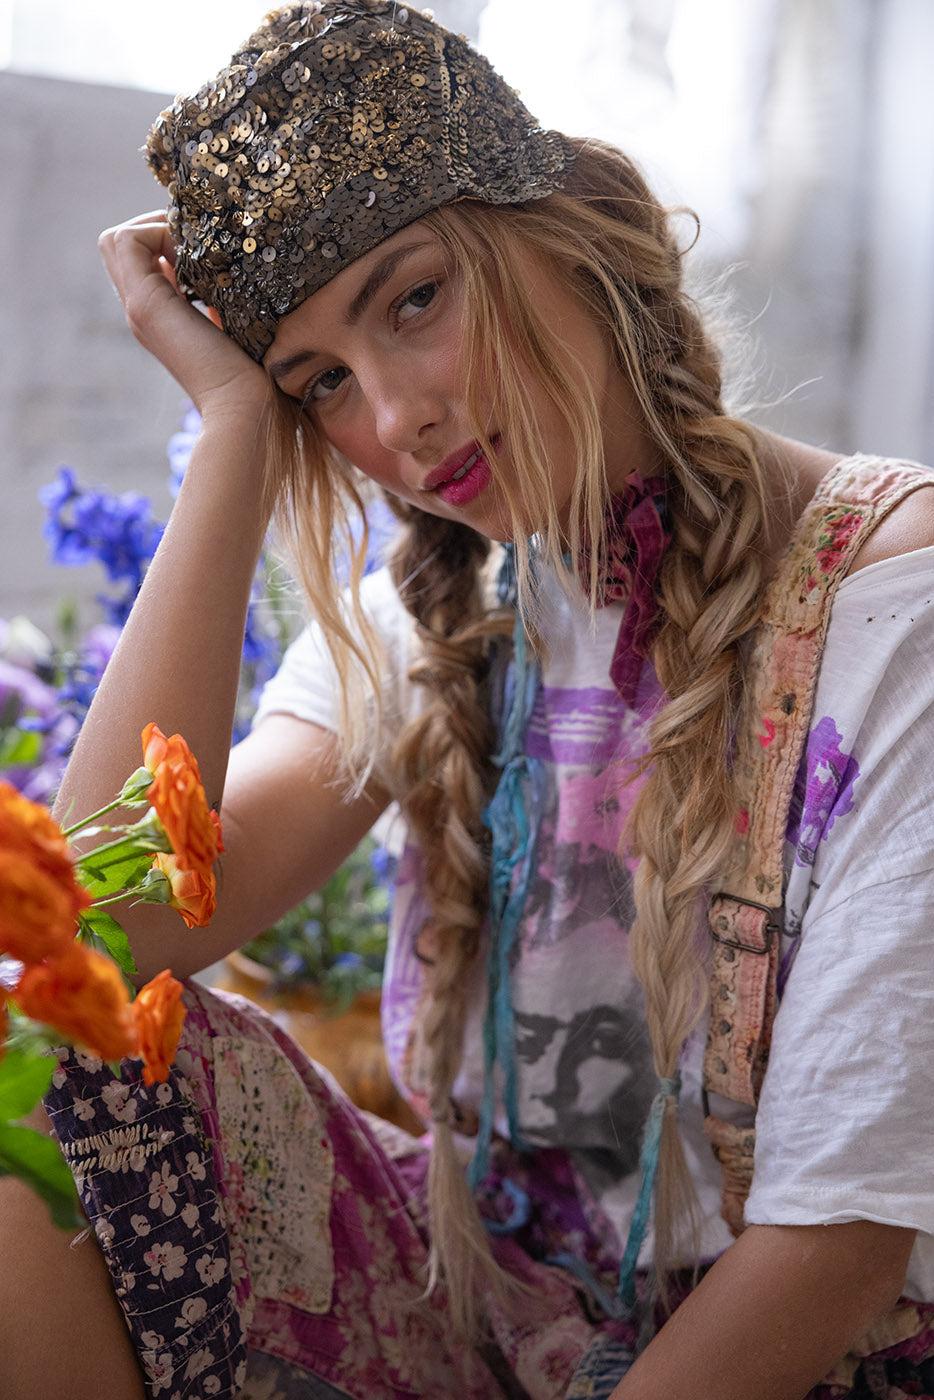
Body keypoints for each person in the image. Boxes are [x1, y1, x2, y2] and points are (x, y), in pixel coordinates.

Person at [2, 3, 934, 1397]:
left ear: (567, 230)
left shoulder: (893, 608)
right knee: (36, 1060)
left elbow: (835, 1250)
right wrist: (236, 430)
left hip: (802, 1361)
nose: (393, 420)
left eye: (415, 301)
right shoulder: (441, 608)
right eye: (324, 381)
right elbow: (105, 926)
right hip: (487, 1310)